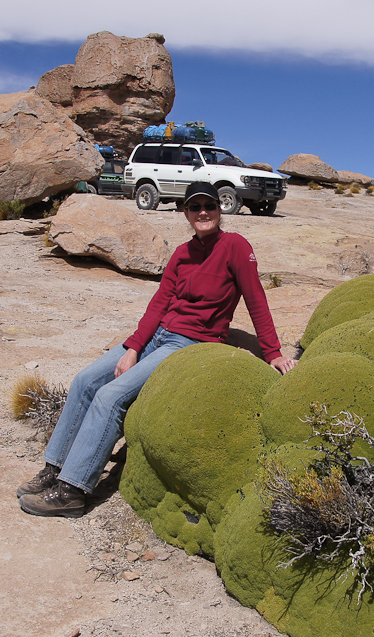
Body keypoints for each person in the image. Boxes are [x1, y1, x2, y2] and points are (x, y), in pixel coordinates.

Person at [17, 182, 297, 518]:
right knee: (85, 380)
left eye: (210, 205)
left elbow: (256, 299)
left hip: (189, 343)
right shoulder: (181, 253)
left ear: (221, 209)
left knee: (111, 396)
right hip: (157, 336)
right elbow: (159, 303)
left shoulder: (235, 246)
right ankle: (55, 469)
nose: (203, 212)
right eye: (195, 208)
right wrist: (134, 347)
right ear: (186, 213)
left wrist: (273, 352)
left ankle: (73, 491)